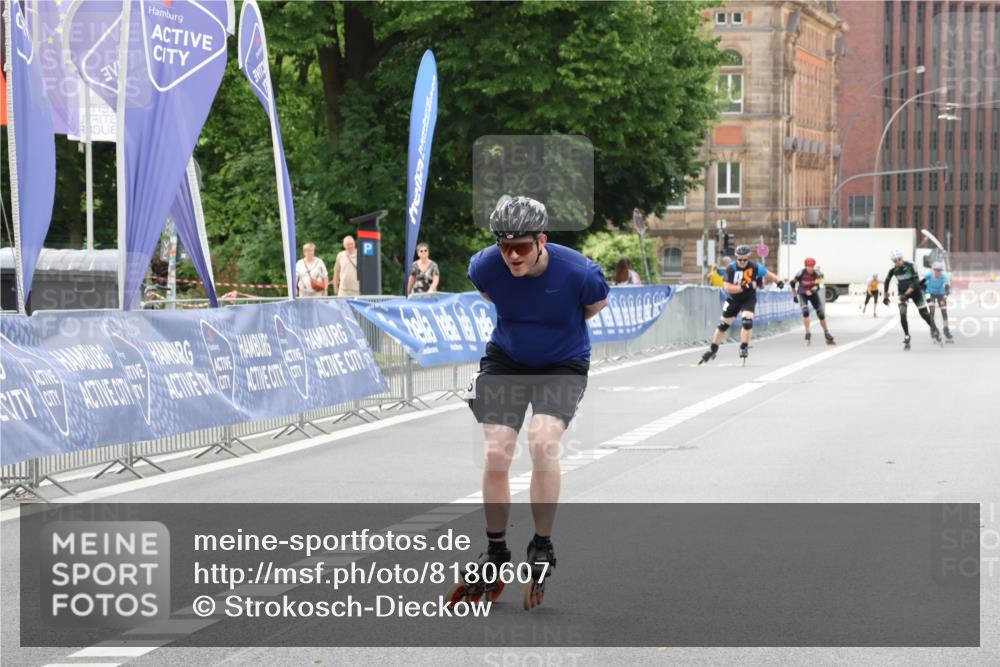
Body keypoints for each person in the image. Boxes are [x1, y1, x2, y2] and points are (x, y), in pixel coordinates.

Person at [455, 195, 609, 608]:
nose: (511, 256)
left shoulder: (579, 272)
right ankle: (496, 549)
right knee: (496, 450)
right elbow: (493, 297)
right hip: (506, 360)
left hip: (563, 363)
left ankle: (542, 544)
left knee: (542, 442)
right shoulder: (485, 266)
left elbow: (595, 306)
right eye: (504, 246)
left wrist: (552, 333)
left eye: (521, 246)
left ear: (542, 240)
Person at [698, 244, 784, 365]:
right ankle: (713, 349)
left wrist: (779, 281)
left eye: (745, 259)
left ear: (749, 258)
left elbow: (769, 274)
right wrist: (745, 286)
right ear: (736, 258)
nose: (742, 262)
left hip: (748, 298)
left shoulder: (755, 267)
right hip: (733, 298)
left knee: (747, 321)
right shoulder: (731, 268)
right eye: (740, 259)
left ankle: (744, 346)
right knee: (723, 325)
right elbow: (727, 288)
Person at [883, 249, 941, 350]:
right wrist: (885, 296)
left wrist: (906, 294)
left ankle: (935, 329)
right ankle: (907, 335)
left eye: (899, 259)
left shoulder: (911, 265)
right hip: (902, 293)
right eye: (895, 261)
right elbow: (887, 281)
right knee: (902, 312)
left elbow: (915, 282)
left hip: (915, 292)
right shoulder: (893, 270)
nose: (898, 262)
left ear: (902, 258)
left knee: (924, 315)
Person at [789, 257, 835, 346]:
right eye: (808, 266)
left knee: (821, 313)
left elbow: (818, 286)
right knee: (805, 312)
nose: (810, 268)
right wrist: (794, 295)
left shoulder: (818, 274)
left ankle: (826, 333)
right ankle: (807, 333)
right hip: (802, 293)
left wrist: (811, 291)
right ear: (805, 266)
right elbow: (792, 283)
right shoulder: (800, 273)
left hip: (813, 293)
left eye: (812, 266)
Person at [924, 260, 954, 342]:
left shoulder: (944, 277)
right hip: (929, 293)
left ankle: (946, 330)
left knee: (944, 311)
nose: (938, 272)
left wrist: (945, 296)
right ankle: (933, 329)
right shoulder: (929, 275)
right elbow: (920, 284)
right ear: (933, 270)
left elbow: (947, 288)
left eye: (940, 271)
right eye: (936, 270)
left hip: (940, 293)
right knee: (932, 310)